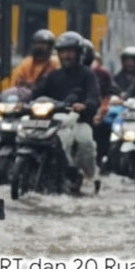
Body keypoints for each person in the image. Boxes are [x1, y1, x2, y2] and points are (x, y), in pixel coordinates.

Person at [31, 31, 101, 194]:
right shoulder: (53, 75)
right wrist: (21, 101)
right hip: (53, 121)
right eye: (63, 51)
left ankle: (89, 174)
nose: (66, 55)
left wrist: (85, 105)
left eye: (70, 51)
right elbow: (36, 93)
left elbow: (94, 97)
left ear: (78, 54)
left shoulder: (88, 75)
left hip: (79, 120)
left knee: (85, 141)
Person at [82, 38, 119, 168]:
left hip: (94, 109)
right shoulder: (60, 73)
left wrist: (100, 110)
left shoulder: (100, 74)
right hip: (72, 112)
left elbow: (107, 93)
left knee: (103, 127)